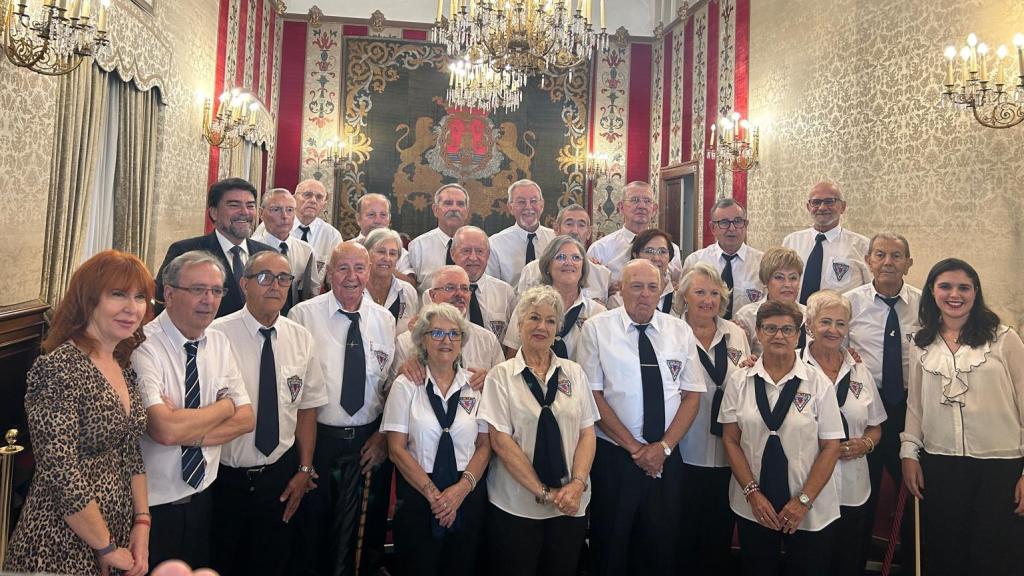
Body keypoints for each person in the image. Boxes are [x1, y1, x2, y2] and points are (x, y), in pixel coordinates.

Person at [4, 251, 154, 576]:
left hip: (114, 531)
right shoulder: (58, 368)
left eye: (140, 297)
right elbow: (59, 470)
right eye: (118, 294)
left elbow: (131, 453)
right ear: (89, 300)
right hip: (59, 539)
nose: (133, 308)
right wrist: (105, 545)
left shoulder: (122, 365)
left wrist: (142, 522)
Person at [579, 259, 704, 576]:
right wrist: (636, 449)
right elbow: (593, 396)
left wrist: (662, 449)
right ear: (621, 289)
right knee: (611, 546)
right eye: (636, 286)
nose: (645, 294)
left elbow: (691, 395)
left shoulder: (679, 330)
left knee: (661, 547)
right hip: (616, 457)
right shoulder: (597, 329)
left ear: (662, 289)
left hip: (667, 456)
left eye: (652, 287)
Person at [900, 258, 1024, 576]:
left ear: (975, 292)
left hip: (1001, 466)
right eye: (945, 286)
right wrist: (909, 454)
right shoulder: (919, 343)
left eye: (963, 287)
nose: (954, 294)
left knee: (995, 554)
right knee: (945, 552)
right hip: (941, 463)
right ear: (932, 291)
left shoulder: (1003, 338)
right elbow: (916, 405)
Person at [207, 251, 328, 576]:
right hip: (225, 478)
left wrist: (304, 468)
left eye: (284, 278)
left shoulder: (300, 338)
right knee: (221, 562)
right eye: (265, 277)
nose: (275, 285)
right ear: (244, 283)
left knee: (272, 562)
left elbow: (306, 408)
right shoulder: (216, 335)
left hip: (279, 476)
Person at [133, 250, 255, 569]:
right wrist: (224, 405)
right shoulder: (143, 346)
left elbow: (246, 419)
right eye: (198, 289)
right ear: (169, 294)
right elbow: (163, 429)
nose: (209, 300)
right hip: (152, 509)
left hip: (204, 498)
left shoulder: (218, 341)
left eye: (217, 290)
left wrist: (191, 432)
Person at [288, 242, 395, 576]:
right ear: (329, 273)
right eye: (343, 268)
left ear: (369, 272)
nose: (352, 277)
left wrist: (382, 436)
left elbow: (391, 386)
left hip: (368, 442)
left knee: (363, 537)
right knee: (313, 530)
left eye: (359, 268)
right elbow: (290, 389)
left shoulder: (385, 319)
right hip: (317, 439)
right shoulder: (302, 316)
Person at [479, 286, 599, 576]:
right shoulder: (501, 375)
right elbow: (500, 441)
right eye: (534, 318)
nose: (541, 327)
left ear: (558, 328)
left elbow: (587, 433)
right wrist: (543, 492)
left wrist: (576, 485)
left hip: (570, 503)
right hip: (517, 504)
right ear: (519, 324)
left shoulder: (574, 373)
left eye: (549, 320)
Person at [719, 300, 843, 576]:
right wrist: (752, 493)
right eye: (770, 328)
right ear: (759, 333)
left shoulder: (818, 382)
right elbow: (730, 440)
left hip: (808, 505)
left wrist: (803, 500)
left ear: (799, 335)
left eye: (787, 329)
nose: (779, 335)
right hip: (754, 502)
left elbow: (831, 446)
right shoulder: (740, 381)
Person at [382, 303, 491, 576]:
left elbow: (485, 445)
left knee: (462, 566)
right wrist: (436, 497)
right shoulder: (406, 385)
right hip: (419, 493)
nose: (447, 341)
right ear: (422, 339)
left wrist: (459, 492)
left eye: (454, 334)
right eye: (437, 333)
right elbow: (396, 449)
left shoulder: (475, 385)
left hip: (466, 491)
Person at [843, 232, 919, 567]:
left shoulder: (924, 304)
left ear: (908, 263)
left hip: (908, 409)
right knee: (862, 494)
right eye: (880, 254)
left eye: (896, 255)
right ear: (869, 260)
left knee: (913, 490)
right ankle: (853, 563)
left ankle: (915, 560)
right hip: (863, 410)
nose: (888, 262)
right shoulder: (850, 302)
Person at [672, 263, 751, 575]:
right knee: (682, 529)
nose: (708, 300)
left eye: (715, 293)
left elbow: (743, 380)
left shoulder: (736, 334)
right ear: (685, 297)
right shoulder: (670, 331)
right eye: (700, 292)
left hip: (727, 451)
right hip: (684, 447)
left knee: (718, 533)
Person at [801, 290, 886, 576]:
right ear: (809, 324)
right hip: (807, 488)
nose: (833, 330)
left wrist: (866, 444)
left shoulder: (860, 369)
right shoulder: (793, 368)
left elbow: (875, 425)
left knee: (848, 562)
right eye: (825, 322)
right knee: (810, 562)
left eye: (841, 323)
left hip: (853, 487)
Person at [154, 178, 275, 317]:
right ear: (214, 213)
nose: (244, 212)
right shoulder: (185, 252)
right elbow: (163, 306)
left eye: (250, 206)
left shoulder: (268, 255)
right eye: (234, 205)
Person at [392, 265, 505, 390]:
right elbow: (389, 396)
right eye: (450, 288)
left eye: (464, 288)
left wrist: (490, 383)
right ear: (432, 295)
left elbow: (504, 389)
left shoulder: (487, 340)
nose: (459, 294)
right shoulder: (405, 341)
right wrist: (402, 373)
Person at [503, 235, 606, 361]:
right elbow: (511, 356)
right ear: (548, 266)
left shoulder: (598, 313)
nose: (568, 263)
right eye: (561, 257)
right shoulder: (527, 306)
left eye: (576, 258)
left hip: (582, 379)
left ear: (583, 268)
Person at [782, 181, 869, 304]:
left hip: (840, 321)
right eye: (816, 202)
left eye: (829, 201)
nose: (822, 207)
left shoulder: (862, 245)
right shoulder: (791, 242)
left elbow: (871, 292)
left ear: (843, 207)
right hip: (795, 319)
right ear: (808, 207)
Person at [682, 197, 764, 320]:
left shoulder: (761, 263)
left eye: (738, 221)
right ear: (712, 228)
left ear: (746, 225)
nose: (732, 228)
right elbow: (684, 305)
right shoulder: (695, 261)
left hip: (749, 336)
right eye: (724, 222)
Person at [586, 181, 683, 283]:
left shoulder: (670, 250)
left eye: (647, 201)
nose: (641, 206)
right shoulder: (600, 249)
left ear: (654, 209)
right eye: (635, 200)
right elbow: (590, 290)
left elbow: (676, 286)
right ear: (621, 207)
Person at [517, 203, 611, 303]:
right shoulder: (532, 270)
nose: (575, 231)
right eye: (569, 224)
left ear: (589, 233)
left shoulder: (602, 274)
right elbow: (521, 314)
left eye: (581, 225)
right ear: (556, 229)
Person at [250, 187, 321, 315]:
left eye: (290, 210)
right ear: (261, 213)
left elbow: (311, 292)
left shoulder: (305, 250)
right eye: (276, 210)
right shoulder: (251, 248)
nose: (284, 216)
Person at [733, 247, 807, 356]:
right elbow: (739, 362)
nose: (787, 284)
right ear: (766, 280)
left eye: (793, 278)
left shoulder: (810, 315)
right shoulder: (747, 316)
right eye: (779, 277)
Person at [450, 225, 516, 342]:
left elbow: (513, 341)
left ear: (488, 255)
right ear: (452, 253)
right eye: (466, 251)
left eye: (480, 251)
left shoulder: (505, 292)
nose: (473, 258)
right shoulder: (438, 292)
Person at [486, 179, 555, 287]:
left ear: (541, 205)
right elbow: (492, 287)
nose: (528, 207)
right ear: (510, 207)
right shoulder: (495, 244)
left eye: (533, 201)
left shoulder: (555, 239)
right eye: (521, 202)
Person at [407, 183, 470, 292]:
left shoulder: (480, 247)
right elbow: (410, 289)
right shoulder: (418, 246)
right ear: (435, 210)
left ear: (467, 212)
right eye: (448, 203)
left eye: (460, 204)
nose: (454, 208)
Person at [363, 228, 419, 335]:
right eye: (381, 252)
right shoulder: (355, 289)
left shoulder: (408, 292)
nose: (387, 258)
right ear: (366, 254)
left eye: (393, 253)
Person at [350, 193, 415, 285]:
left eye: (383, 215)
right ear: (358, 218)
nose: (378, 221)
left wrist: (385, 267)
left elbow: (411, 284)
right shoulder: (346, 248)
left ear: (389, 219)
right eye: (371, 214)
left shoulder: (398, 251)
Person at [607, 228, 677, 312]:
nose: (656, 258)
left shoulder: (680, 296)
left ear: (670, 256)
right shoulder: (620, 298)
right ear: (636, 255)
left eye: (662, 251)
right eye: (649, 251)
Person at [293, 178, 344, 283]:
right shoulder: (277, 226)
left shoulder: (332, 236)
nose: (313, 200)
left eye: (319, 197)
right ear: (294, 199)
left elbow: (336, 276)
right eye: (307, 195)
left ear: (324, 205)